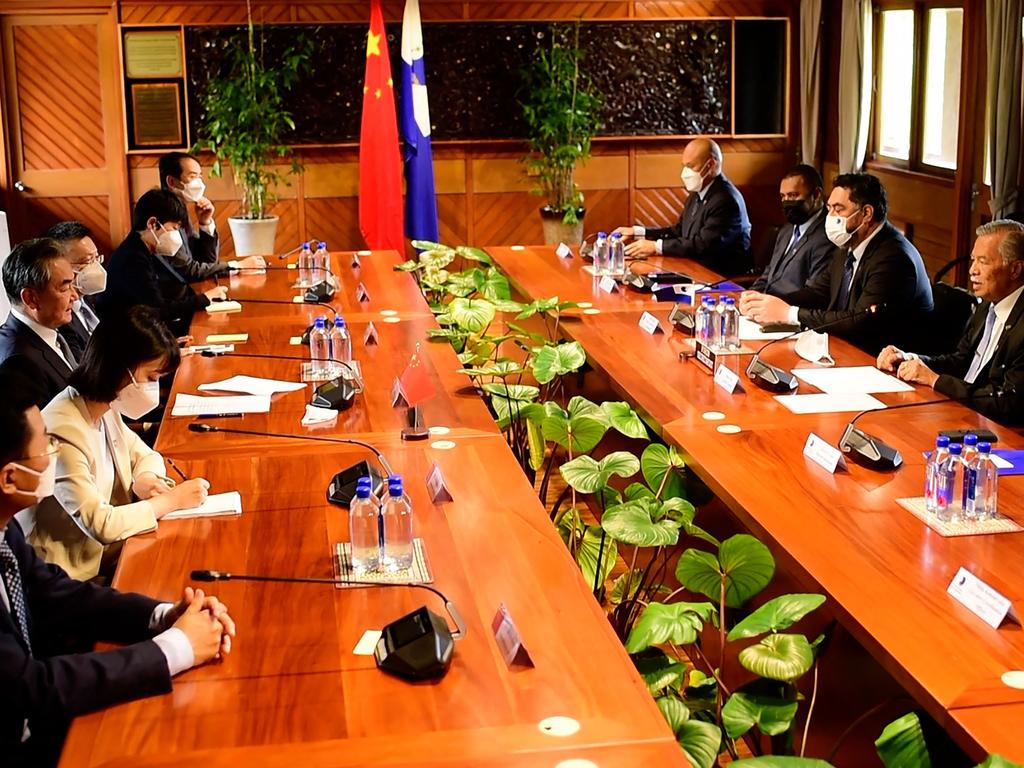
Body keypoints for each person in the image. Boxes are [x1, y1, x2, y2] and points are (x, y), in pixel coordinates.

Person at [0, 362, 234, 768]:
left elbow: (59, 594)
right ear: (9, 478)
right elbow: (30, 688)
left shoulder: (5, 532)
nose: (54, 457)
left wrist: (164, 617)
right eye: (46, 451)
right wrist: (176, 649)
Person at [22, 307, 212, 581]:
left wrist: (145, 478)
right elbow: (100, 524)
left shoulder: (103, 405)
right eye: (150, 378)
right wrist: (171, 501)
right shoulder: (62, 429)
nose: (151, 388)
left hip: (113, 552)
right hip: (73, 575)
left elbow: (145, 454)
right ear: (119, 368)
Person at [739, 173, 933, 355]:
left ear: (866, 213)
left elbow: (859, 322)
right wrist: (767, 302)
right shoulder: (849, 244)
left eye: (838, 209)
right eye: (829, 207)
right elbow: (818, 293)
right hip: (847, 348)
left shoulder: (893, 258)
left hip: (883, 362)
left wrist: (789, 313)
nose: (830, 216)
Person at [877, 220, 1024, 425]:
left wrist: (936, 380)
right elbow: (960, 361)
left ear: (1015, 269)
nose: (973, 270)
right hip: (962, 411)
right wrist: (912, 360)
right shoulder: (987, 305)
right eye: (973, 260)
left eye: (984, 261)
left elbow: (1007, 404)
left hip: (996, 431)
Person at [96, 189, 228, 337]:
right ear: (153, 224)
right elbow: (158, 310)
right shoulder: (133, 258)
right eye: (174, 228)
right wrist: (204, 299)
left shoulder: (140, 249)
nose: (176, 235)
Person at [613, 138, 751, 274]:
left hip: (721, 277)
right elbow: (678, 231)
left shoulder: (725, 199)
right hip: (694, 268)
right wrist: (638, 232)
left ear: (711, 165)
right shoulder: (699, 192)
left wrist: (656, 247)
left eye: (691, 166)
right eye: (684, 166)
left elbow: (703, 245)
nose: (685, 173)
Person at [160, 152, 265, 280]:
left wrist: (205, 223)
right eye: (192, 176)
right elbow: (188, 271)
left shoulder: (180, 209)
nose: (198, 183)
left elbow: (206, 261)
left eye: (199, 177)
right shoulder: (163, 215)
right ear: (171, 181)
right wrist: (237, 266)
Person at [0, 238, 77, 407]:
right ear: (31, 298)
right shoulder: (18, 362)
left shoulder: (54, 324)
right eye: (64, 288)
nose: (75, 296)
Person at [749, 164, 834, 296]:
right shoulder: (786, 230)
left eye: (793, 195)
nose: (787, 202)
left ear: (816, 195)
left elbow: (813, 293)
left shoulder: (827, 236)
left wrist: (771, 305)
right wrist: (750, 295)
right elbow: (768, 275)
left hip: (788, 309)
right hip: (765, 305)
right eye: (783, 196)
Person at [44, 221, 104, 360]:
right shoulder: (60, 316)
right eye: (87, 261)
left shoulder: (87, 298)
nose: (95, 267)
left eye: (96, 258)